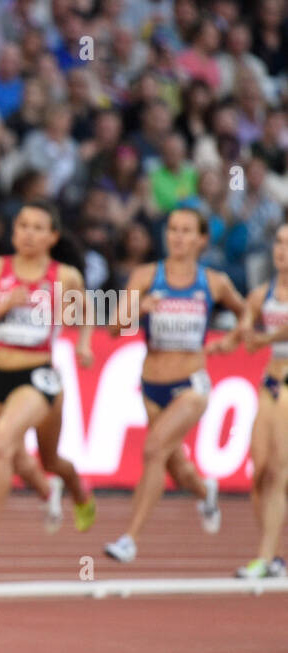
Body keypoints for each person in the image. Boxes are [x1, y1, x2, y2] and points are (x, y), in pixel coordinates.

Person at [0, 201, 97, 569]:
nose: (28, 233)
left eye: (37, 227)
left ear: (52, 236)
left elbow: (87, 309)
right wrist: (1, 307)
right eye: (22, 226)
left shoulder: (64, 276)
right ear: (14, 232)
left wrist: (83, 343)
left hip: (37, 375)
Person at [104, 207, 245, 563]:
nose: (177, 237)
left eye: (186, 231)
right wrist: (141, 308)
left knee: (153, 450)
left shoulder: (214, 282)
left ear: (201, 239)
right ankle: (205, 493)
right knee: (176, 467)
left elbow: (248, 314)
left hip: (191, 384)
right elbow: (115, 327)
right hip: (152, 385)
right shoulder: (146, 275)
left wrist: (230, 341)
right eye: (172, 230)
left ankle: (129, 538)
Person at [235, 223, 288, 578]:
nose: (281, 249)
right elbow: (241, 330)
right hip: (268, 381)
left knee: (279, 471)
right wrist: (223, 344)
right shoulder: (260, 293)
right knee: (260, 473)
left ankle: (265, 557)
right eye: (279, 242)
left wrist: (264, 337)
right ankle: (273, 556)